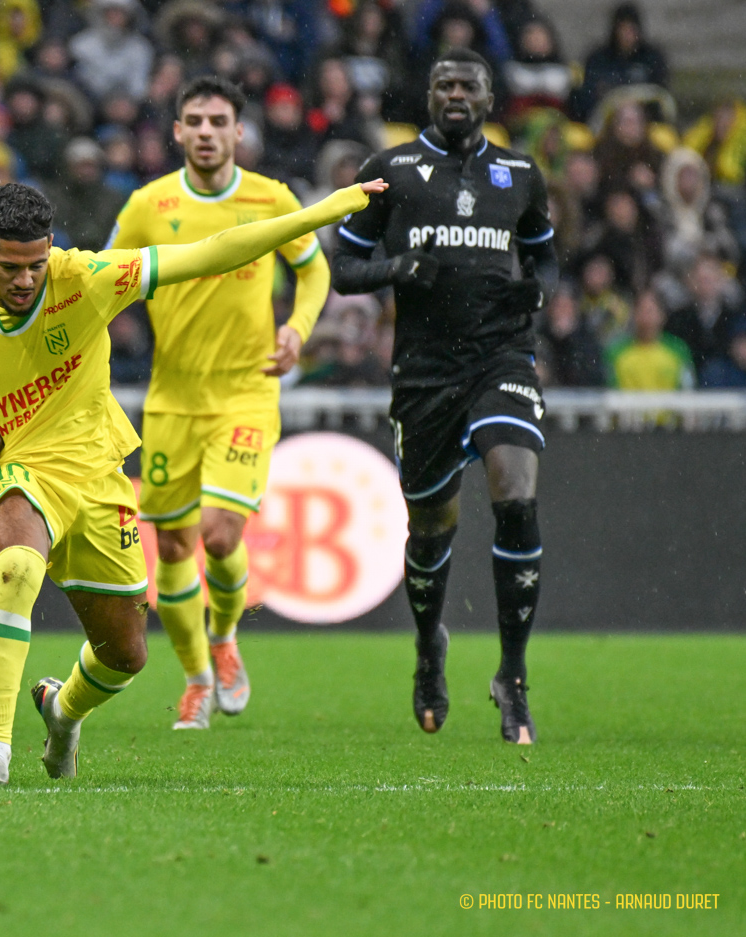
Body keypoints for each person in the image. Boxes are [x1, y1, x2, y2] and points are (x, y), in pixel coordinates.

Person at [0, 176, 383, 786]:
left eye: (36, 265)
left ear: (51, 249)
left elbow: (212, 252)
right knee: (15, 565)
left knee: (125, 654)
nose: (25, 280)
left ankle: (62, 711)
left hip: (97, 473)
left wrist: (326, 211)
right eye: (10, 267)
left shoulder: (87, 278)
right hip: (15, 465)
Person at [332, 49, 559, 745]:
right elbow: (343, 267)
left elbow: (545, 254)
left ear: (490, 97)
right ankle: (430, 644)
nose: (456, 94)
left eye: (468, 85)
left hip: (502, 357)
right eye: (444, 84)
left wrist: (537, 290)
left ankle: (512, 675)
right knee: (431, 527)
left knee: (515, 495)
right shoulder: (390, 169)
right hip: (425, 372)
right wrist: (399, 266)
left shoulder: (520, 174)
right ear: (429, 96)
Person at [105, 76, 332, 729]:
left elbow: (314, 268)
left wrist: (298, 329)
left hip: (246, 391)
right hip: (172, 398)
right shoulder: (148, 205)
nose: (206, 132)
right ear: (178, 132)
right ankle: (197, 677)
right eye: (195, 121)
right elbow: (104, 280)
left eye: (218, 121)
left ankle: (226, 634)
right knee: (175, 548)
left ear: (238, 131)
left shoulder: (271, 198)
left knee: (220, 532)